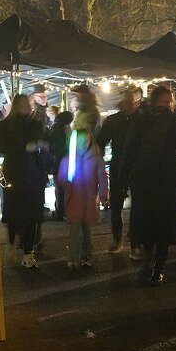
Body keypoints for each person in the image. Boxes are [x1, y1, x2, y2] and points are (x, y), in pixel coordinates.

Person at [125, 86, 176, 286]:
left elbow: (130, 149)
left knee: (147, 222)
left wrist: (125, 177)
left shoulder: (141, 120)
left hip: (144, 178)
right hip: (165, 179)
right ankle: (158, 268)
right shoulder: (174, 122)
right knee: (163, 224)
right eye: (167, 101)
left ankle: (148, 263)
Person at [0, 94, 48, 267]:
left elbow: (44, 144)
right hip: (16, 173)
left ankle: (27, 252)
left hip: (31, 174)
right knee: (15, 212)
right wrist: (25, 148)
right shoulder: (6, 125)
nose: (27, 106)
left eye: (28, 104)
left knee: (30, 214)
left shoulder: (33, 124)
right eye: (24, 104)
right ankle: (13, 244)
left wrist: (41, 147)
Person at [55, 112, 107, 270]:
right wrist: (64, 180)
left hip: (89, 199)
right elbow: (61, 178)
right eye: (79, 142)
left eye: (85, 142)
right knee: (74, 229)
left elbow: (102, 178)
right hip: (74, 199)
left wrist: (103, 195)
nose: (82, 145)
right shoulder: (69, 160)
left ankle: (87, 254)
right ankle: (73, 257)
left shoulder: (96, 159)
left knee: (86, 229)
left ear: (90, 141)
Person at [98, 85, 141, 254]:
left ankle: (135, 242)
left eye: (132, 102)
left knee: (137, 206)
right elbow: (101, 141)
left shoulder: (143, 120)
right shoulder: (113, 120)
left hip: (136, 167)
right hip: (120, 166)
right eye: (126, 101)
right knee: (116, 206)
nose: (129, 105)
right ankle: (119, 240)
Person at [47, 111, 74, 222]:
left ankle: (60, 211)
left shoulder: (56, 129)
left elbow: (53, 146)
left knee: (59, 189)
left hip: (58, 162)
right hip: (67, 161)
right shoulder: (67, 129)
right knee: (65, 188)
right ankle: (65, 210)